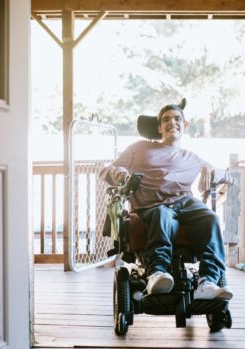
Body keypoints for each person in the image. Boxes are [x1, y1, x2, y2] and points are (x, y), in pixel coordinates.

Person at [99, 100, 234, 300]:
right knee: (163, 214)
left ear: (185, 125)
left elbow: (228, 177)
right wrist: (119, 172)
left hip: (185, 203)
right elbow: (105, 171)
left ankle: (208, 282)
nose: (172, 122)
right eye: (166, 119)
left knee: (211, 218)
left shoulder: (192, 157)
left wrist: (213, 171)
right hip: (152, 205)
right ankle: (157, 273)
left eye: (177, 118)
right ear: (159, 127)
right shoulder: (139, 148)